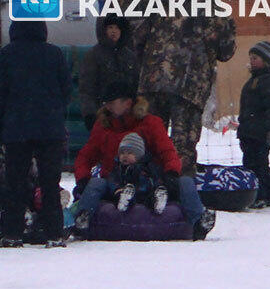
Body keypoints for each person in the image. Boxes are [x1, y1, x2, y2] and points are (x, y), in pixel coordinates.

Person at [73, 82, 216, 240]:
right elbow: (85, 157)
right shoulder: (103, 126)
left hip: (150, 181)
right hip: (115, 183)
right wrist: (83, 179)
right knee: (96, 183)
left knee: (185, 182)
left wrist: (171, 173)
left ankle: (199, 221)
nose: (107, 107)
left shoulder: (150, 124)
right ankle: (82, 219)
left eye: (112, 103)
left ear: (128, 103)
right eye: (106, 103)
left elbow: (167, 152)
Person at [133, 7, 236, 176]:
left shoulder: (161, 1)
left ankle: (149, 182)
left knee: (150, 142)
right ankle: (179, 185)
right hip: (190, 87)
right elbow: (226, 52)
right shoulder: (216, 10)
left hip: (154, 81)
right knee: (182, 150)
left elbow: (138, 38)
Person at [0, 21, 71, 248]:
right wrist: (56, 113)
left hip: (16, 128)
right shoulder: (54, 53)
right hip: (50, 128)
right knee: (50, 183)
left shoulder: (6, 55)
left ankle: (12, 232)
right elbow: (66, 89)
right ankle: (54, 232)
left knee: (15, 183)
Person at [235, 41, 270, 208]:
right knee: (251, 164)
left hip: (260, 133)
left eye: (255, 58)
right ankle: (264, 194)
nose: (252, 61)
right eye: (251, 58)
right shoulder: (253, 81)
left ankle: (268, 194)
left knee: (259, 165)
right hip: (248, 132)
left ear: (266, 61)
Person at [79, 14, 138, 132]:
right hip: (102, 114)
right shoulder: (93, 55)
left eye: (117, 28)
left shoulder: (130, 56)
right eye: (110, 27)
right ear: (104, 30)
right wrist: (90, 114)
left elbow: (135, 85)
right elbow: (87, 88)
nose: (114, 31)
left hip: (127, 115)